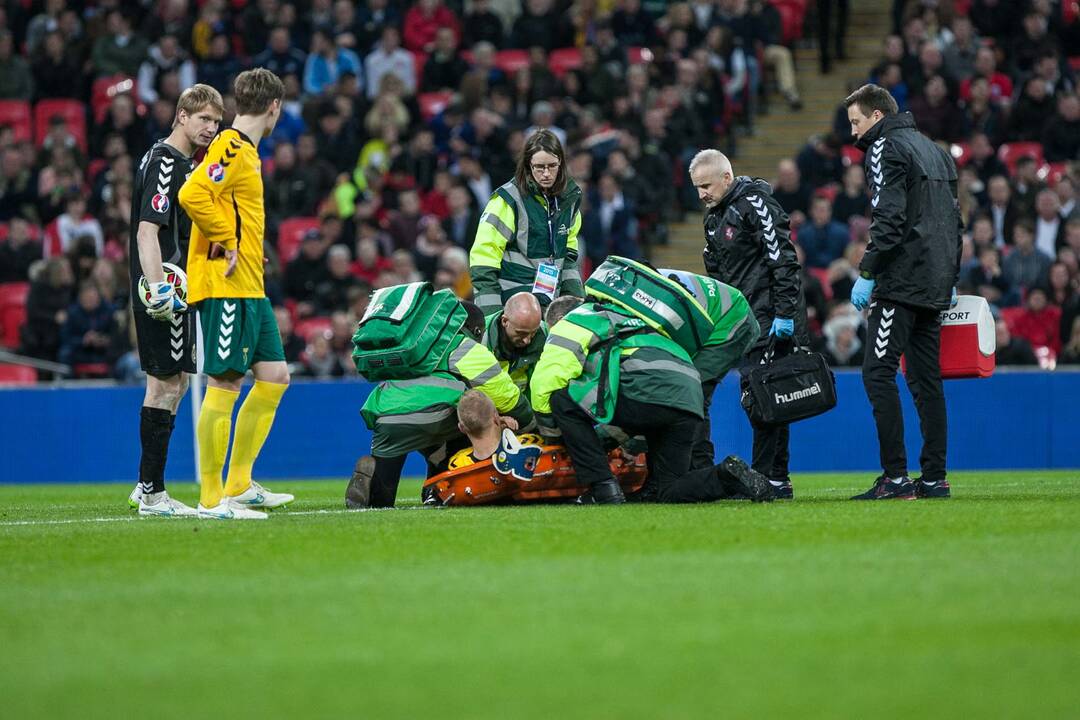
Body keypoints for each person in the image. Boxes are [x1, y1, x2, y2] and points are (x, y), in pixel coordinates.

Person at [179, 69, 293, 521]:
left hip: (249, 284)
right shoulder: (229, 145)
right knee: (226, 382)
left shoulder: (243, 150)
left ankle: (240, 484)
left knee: (275, 375)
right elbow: (193, 193)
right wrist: (227, 240)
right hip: (225, 285)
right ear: (274, 108)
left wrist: (245, 246)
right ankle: (211, 500)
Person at [530, 297, 772, 505]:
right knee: (669, 488)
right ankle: (726, 476)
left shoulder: (572, 322)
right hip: (689, 394)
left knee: (561, 399)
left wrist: (553, 439)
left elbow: (545, 383)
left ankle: (602, 488)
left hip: (647, 389)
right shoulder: (628, 316)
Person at [845, 83, 961, 500]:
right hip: (934, 282)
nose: (854, 132)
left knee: (877, 372)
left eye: (856, 121)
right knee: (927, 381)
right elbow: (953, 222)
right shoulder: (935, 151)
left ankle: (895, 478)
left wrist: (869, 271)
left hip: (901, 283)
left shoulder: (884, 148)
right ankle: (934, 479)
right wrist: (950, 278)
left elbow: (890, 219)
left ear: (877, 116)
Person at [125, 84, 224, 517]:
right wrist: (158, 289)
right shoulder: (167, 161)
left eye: (217, 122)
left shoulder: (171, 159)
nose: (211, 128)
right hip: (166, 290)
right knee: (166, 384)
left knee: (173, 383)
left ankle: (147, 486)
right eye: (203, 119)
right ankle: (151, 492)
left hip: (173, 288)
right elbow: (148, 231)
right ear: (182, 115)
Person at [693, 149, 808, 499]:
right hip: (743, 322)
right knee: (762, 399)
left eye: (707, 186)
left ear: (726, 178)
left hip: (771, 318)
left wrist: (785, 314)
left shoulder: (755, 204)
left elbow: (783, 260)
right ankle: (776, 478)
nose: (701, 194)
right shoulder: (714, 219)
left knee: (767, 399)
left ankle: (768, 477)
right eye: (697, 187)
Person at [345, 300, 534, 509]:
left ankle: (372, 490)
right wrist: (531, 423)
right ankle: (437, 490)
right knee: (473, 419)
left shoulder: (416, 344)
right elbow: (507, 396)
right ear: (476, 329)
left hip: (386, 417)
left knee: (382, 501)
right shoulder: (465, 347)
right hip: (434, 415)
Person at [469, 129, 585, 316]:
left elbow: (569, 258)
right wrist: (490, 314)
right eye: (539, 167)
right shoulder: (507, 200)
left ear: (561, 164)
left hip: (550, 301)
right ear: (527, 166)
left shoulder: (569, 201)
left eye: (552, 166)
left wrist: (576, 301)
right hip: (513, 301)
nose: (546, 173)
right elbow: (483, 259)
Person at [480, 292, 547, 393]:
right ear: (505, 321)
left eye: (533, 333)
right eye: (521, 333)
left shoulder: (546, 333)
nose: (527, 340)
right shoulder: (479, 340)